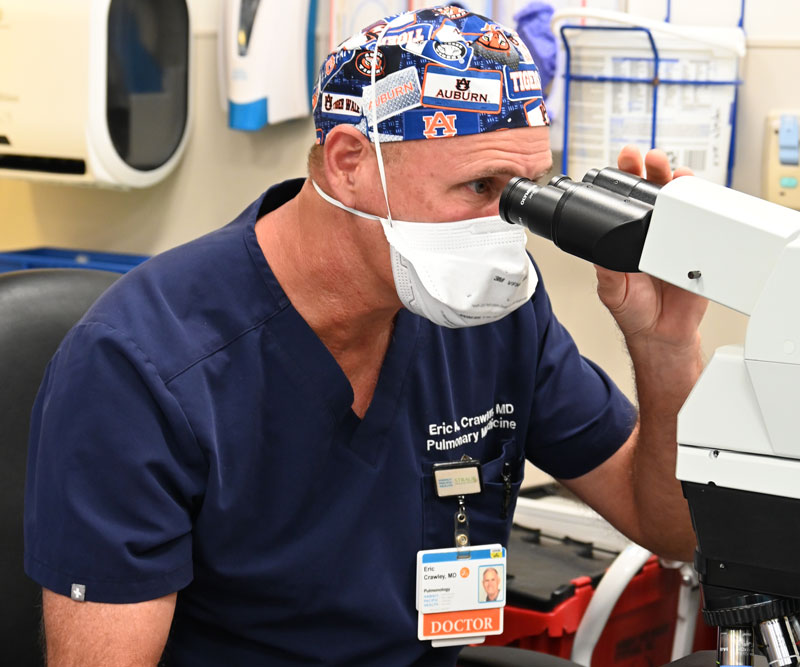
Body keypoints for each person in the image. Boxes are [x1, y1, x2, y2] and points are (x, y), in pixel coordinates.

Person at [24, 6, 707, 666]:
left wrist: (664, 344)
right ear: (350, 161)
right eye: (479, 187)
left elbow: (671, 527)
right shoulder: (138, 367)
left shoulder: (494, 315)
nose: (505, 230)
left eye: (525, 189)